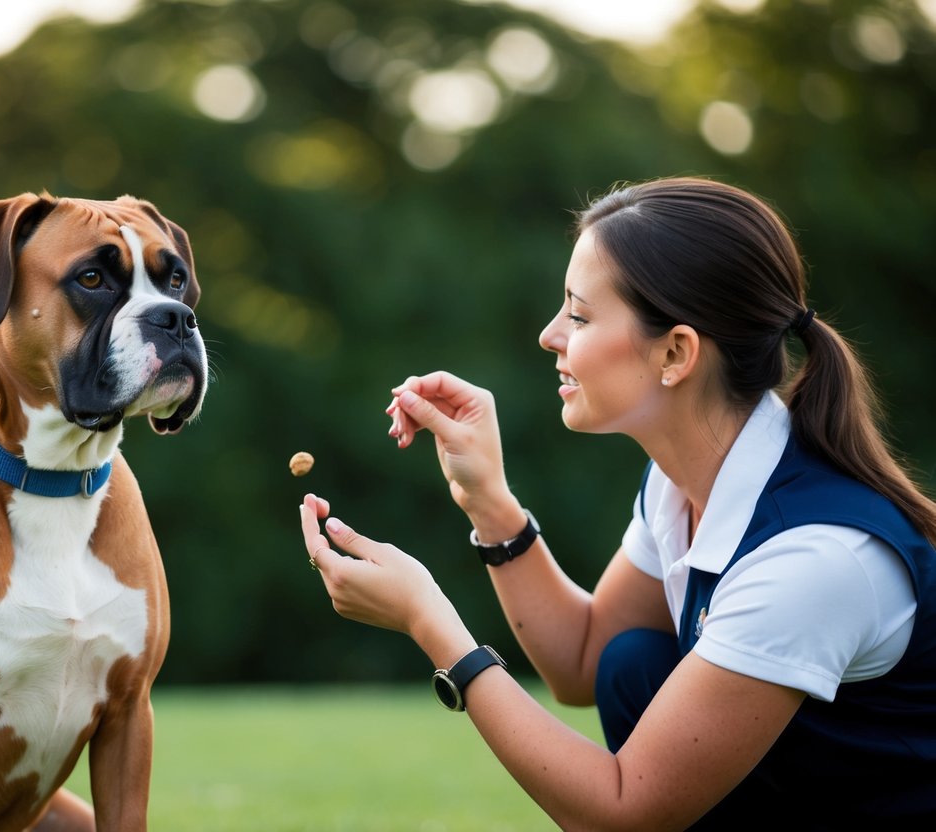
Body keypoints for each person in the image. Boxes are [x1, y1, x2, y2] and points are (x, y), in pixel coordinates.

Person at [298, 176, 936, 830]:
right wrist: (487, 501)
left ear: (675, 352)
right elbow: (583, 662)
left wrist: (429, 621)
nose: (550, 335)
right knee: (633, 663)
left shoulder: (813, 559)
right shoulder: (682, 484)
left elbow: (623, 809)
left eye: (577, 315)